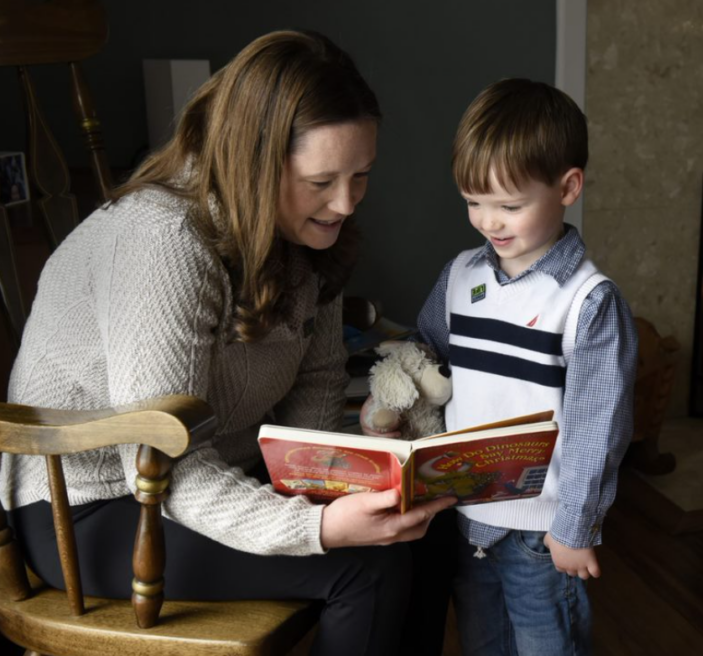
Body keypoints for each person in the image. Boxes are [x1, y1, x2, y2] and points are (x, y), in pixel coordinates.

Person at [2, 30, 454, 656]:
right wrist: (315, 525)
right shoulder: (162, 242)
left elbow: (318, 379)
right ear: (255, 161)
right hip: (96, 507)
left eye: (361, 175)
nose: (346, 202)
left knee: (421, 529)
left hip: (213, 478)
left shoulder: (308, 238)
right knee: (364, 565)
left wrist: (322, 484)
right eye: (322, 180)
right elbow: (164, 467)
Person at [370, 78, 638, 655]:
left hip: (542, 531)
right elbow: (425, 354)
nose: (489, 221)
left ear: (567, 187)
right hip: (466, 517)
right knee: (483, 642)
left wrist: (576, 527)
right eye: (473, 202)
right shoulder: (461, 275)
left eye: (510, 206)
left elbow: (599, 428)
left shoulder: (588, 302)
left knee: (547, 645)